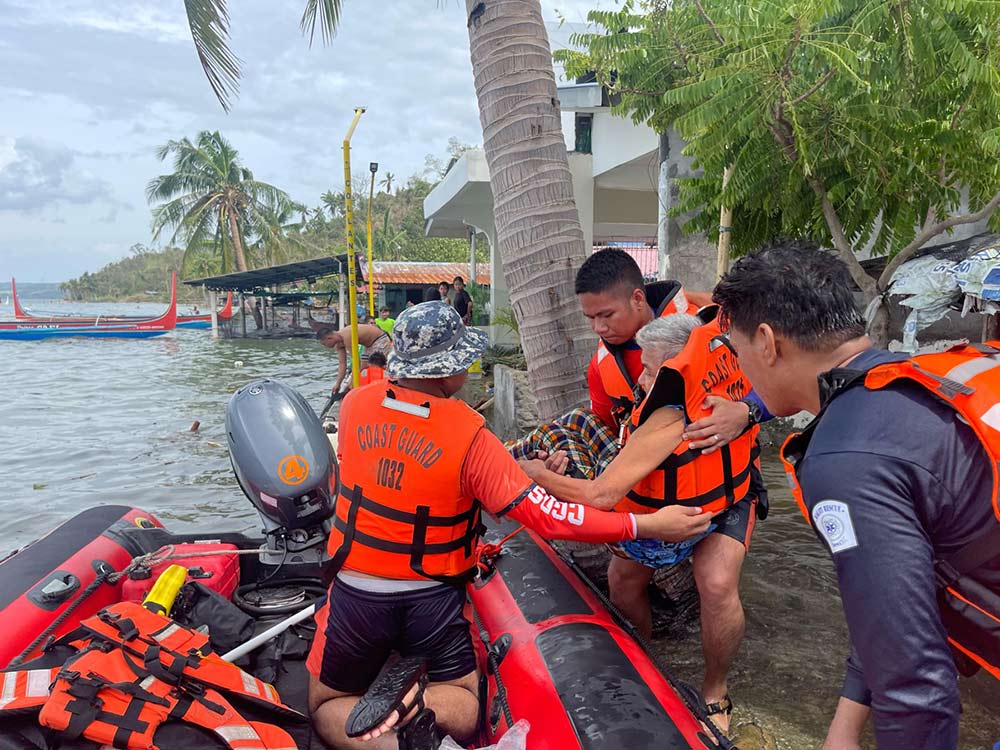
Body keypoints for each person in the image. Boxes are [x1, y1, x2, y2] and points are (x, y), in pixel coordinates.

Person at [307, 302, 714, 750]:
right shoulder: (469, 433)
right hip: (430, 599)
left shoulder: (354, 407)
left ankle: (389, 742)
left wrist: (509, 466)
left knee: (327, 706)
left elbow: (415, 472)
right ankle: (419, 707)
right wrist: (647, 524)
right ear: (450, 371)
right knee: (466, 702)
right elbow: (551, 517)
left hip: (356, 595)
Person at [712, 245, 1000, 750]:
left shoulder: (846, 455)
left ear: (766, 341)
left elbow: (916, 686)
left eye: (736, 353)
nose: (741, 372)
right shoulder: (927, 382)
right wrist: (844, 728)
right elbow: (896, 603)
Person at [522, 311, 765, 733]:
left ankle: (715, 689)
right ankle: (646, 663)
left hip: (727, 500)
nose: (640, 382)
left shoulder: (670, 418)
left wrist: (536, 475)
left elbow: (599, 495)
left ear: (676, 369)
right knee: (622, 582)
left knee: (717, 583)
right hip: (673, 503)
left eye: (650, 372)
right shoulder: (715, 369)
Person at [576, 248, 768, 446]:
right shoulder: (601, 364)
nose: (598, 328)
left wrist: (747, 411)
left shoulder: (712, 330)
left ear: (638, 299)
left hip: (730, 471)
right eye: (591, 318)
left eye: (607, 315)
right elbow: (608, 434)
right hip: (646, 471)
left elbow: (781, 380)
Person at [317, 322, 393, 394]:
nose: (325, 347)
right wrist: (338, 384)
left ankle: (381, 388)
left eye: (324, 344)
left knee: (374, 366)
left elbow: (356, 361)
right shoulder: (338, 345)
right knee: (363, 369)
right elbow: (342, 364)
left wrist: (352, 380)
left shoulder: (347, 336)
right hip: (368, 346)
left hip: (379, 339)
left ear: (329, 338)